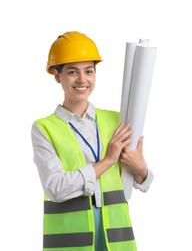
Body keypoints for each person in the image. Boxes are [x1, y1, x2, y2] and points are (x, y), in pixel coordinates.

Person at [31, 31, 154, 251]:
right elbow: (55, 188)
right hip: (69, 243)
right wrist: (108, 160)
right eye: (72, 72)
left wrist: (141, 169)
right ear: (57, 76)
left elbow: (141, 181)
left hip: (117, 239)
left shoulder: (117, 119)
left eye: (89, 71)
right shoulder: (44, 129)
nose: (82, 79)